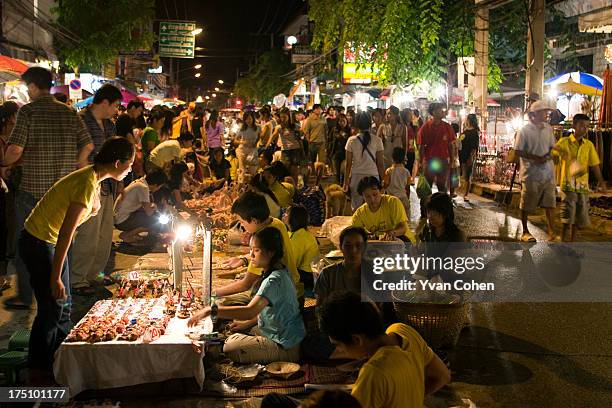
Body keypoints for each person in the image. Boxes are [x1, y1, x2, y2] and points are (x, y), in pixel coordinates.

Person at [21, 137, 133, 382]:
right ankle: (38, 371)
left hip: (48, 241)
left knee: (65, 304)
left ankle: (61, 359)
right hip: (39, 241)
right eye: (130, 164)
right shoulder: (85, 182)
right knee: (51, 307)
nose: (131, 169)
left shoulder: (94, 179)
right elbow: (66, 232)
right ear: (117, 163)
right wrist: (55, 276)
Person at [1, 67, 93, 309]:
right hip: (63, 195)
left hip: (32, 193)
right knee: (63, 244)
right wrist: (75, 165)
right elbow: (87, 146)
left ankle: (25, 296)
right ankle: (63, 294)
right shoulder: (70, 113)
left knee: (27, 245)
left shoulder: (28, 112)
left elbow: (15, 150)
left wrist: (4, 162)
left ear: (32, 87)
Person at [189, 227, 305, 364]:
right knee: (232, 328)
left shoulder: (274, 280)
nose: (251, 255)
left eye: (256, 250)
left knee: (231, 346)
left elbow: (249, 311)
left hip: (285, 345)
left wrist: (210, 310)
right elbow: (268, 312)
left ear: (271, 252)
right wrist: (247, 324)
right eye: (251, 250)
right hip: (279, 332)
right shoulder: (280, 270)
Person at [318, 291, 450, 408]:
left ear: (357, 340)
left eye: (338, 345)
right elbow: (442, 376)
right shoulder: (404, 331)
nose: (340, 351)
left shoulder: (374, 372)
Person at [70, 84, 123, 294]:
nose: (117, 110)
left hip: (108, 183)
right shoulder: (81, 120)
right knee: (88, 232)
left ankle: (95, 274)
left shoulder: (110, 125)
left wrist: (119, 180)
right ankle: (78, 278)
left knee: (104, 232)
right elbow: (78, 156)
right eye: (116, 105)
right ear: (104, 102)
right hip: (89, 183)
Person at [217, 191, 302, 304]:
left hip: (282, 297)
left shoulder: (263, 237)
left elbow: (245, 284)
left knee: (219, 303)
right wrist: (244, 259)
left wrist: (212, 292)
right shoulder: (275, 223)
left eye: (242, 222)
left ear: (254, 220)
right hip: (293, 286)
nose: (242, 225)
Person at [556, 114, 607, 242]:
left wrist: (601, 182)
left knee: (578, 218)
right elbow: (553, 157)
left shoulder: (588, 145)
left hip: (583, 187)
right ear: (574, 126)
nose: (585, 129)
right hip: (568, 186)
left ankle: (572, 243)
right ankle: (563, 241)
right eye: (582, 126)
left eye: (587, 126)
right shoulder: (564, 142)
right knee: (567, 216)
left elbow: (595, 165)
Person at [514, 100, 558, 242]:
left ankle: (552, 231)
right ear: (535, 114)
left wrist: (549, 155)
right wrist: (536, 158)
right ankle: (525, 231)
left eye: (547, 111)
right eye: (544, 111)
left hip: (548, 173)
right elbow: (518, 151)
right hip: (530, 173)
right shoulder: (525, 130)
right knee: (527, 203)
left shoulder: (548, 129)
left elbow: (552, 146)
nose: (546, 114)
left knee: (550, 203)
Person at [418, 103, 456, 217]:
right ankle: (424, 211)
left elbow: (451, 145)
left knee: (441, 186)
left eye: (442, 110)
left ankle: (442, 211)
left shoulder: (447, 127)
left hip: (443, 160)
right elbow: (421, 146)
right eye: (439, 110)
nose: (442, 112)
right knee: (426, 188)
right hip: (430, 161)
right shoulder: (426, 127)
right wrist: (421, 161)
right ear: (433, 112)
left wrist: (452, 160)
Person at [352, 176, 416, 243]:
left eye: (375, 194)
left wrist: (392, 233)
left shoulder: (393, 202)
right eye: (367, 196)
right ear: (363, 197)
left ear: (381, 191)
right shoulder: (360, 213)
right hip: (381, 244)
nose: (372, 199)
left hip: (405, 242)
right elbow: (354, 233)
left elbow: (403, 228)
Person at [314, 226, 367, 304]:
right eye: (348, 246)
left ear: (365, 247)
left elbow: (379, 311)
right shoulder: (327, 274)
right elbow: (320, 308)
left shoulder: (374, 273)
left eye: (358, 245)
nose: (353, 250)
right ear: (341, 247)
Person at [343, 112, 384, 211]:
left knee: (356, 208)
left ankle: (357, 226)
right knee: (373, 206)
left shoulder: (351, 140)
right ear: (370, 123)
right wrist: (382, 181)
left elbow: (348, 164)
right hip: (373, 177)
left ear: (357, 124)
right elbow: (380, 164)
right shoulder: (377, 140)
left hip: (356, 177)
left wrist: (346, 182)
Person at [114, 170, 167, 243]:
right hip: (122, 221)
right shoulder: (143, 188)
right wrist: (155, 207)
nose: (159, 189)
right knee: (154, 220)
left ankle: (130, 233)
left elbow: (144, 207)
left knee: (150, 217)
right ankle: (127, 235)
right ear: (156, 184)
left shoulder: (139, 182)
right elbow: (149, 213)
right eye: (160, 186)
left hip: (118, 218)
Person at [0, 101, 18, 291]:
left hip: (11, 188)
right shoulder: (2, 139)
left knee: (8, 227)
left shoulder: (12, 137)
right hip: (4, 189)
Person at [284, 204, 320, 292]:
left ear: (293, 218)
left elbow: (292, 263)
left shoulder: (299, 237)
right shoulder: (297, 233)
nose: (284, 215)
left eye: (286, 213)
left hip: (307, 276)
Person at [267, 107, 304, 184]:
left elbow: (300, 139)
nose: (283, 119)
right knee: (286, 171)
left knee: (294, 172)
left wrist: (302, 151)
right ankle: (288, 187)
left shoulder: (295, 127)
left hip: (295, 150)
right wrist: (266, 146)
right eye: (281, 117)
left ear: (289, 116)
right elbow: (272, 136)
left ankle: (295, 188)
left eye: (285, 117)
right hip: (285, 151)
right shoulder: (279, 127)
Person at [383, 147, 412, 217]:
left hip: (392, 200)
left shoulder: (389, 171)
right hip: (403, 199)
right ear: (403, 159)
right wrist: (407, 198)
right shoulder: (407, 172)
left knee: (392, 220)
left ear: (392, 158)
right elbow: (408, 188)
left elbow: (385, 185)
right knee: (406, 220)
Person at [303, 104, 327, 183]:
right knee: (312, 159)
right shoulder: (309, 119)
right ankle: (313, 172)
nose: (319, 110)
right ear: (314, 110)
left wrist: (326, 140)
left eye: (320, 109)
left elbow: (325, 130)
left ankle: (320, 174)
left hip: (322, 142)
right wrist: (308, 140)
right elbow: (306, 131)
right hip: (312, 141)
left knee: (321, 160)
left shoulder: (323, 118)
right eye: (317, 109)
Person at [459, 114, 480, 202]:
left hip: (468, 156)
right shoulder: (465, 131)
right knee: (463, 175)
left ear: (469, 120)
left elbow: (474, 147)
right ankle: (461, 191)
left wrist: (471, 158)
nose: (465, 120)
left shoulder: (474, 132)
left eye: (466, 119)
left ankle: (466, 194)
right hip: (461, 155)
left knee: (467, 175)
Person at [235, 110, 260, 176]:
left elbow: (259, 136)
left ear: (253, 118)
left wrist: (255, 143)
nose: (248, 120)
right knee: (242, 171)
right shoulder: (242, 128)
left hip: (252, 151)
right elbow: (235, 140)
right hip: (243, 150)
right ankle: (242, 184)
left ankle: (251, 185)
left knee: (252, 171)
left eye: (249, 118)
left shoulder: (257, 127)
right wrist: (242, 142)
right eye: (246, 119)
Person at [401, 108, 418, 174]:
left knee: (409, 172)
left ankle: (407, 184)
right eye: (409, 114)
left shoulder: (413, 126)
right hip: (403, 151)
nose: (411, 116)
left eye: (411, 114)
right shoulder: (402, 126)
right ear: (404, 115)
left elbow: (416, 137)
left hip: (411, 151)